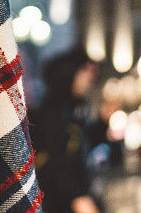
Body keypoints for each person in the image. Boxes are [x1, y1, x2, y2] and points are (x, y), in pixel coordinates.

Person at [30, 48, 105, 213]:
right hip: (59, 204)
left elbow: (80, 150)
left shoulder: (73, 113)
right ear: (68, 74)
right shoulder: (52, 115)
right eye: (84, 70)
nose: (90, 77)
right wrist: (76, 197)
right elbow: (57, 160)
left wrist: (102, 124)